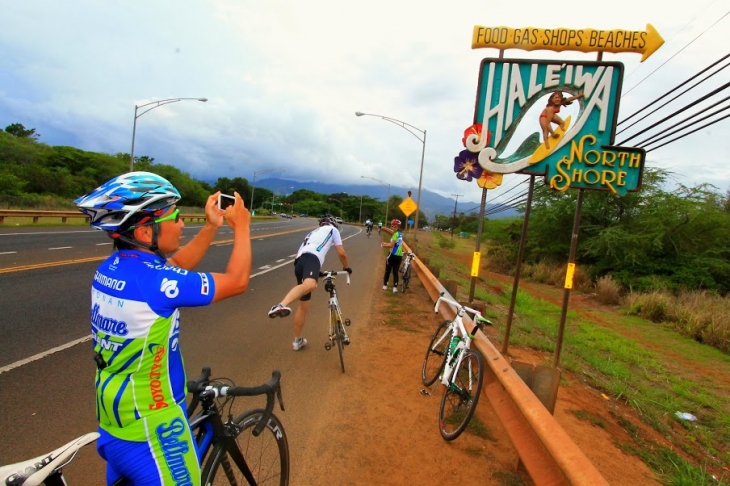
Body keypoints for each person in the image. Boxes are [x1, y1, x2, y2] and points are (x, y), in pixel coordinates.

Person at [74, 171, 252, 486]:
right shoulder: (156, 282)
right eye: (176, 218)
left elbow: (173, 272)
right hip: (154, 434)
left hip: (114, 425)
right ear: (145, 233)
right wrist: (242, 228)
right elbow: (237, 282)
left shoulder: (111, 268)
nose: (183, 224)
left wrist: (211, 227)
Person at [268, 214, 352, 350]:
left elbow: (302, 254)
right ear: (332, 223)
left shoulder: (312, 233)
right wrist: (347, 268)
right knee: (310, 285)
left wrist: (314, 272)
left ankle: (297, 341)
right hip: (312, 259)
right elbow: (342, 253)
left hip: (299, 263)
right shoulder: (333, 230)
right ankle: (280, 305)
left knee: (303, 306)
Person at [381, 219, 404, 293]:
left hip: (392, 254)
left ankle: (385, 285)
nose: (393, 227)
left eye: (395, 226)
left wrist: (384, 245)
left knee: (388, 270)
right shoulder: (400, 234)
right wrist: (386, 243)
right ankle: (395, 287)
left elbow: (391, 245)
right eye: (392, 226)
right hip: (399, 255)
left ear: (398, 227)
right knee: (395, 271)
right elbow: (395, 245)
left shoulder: (395, 234)